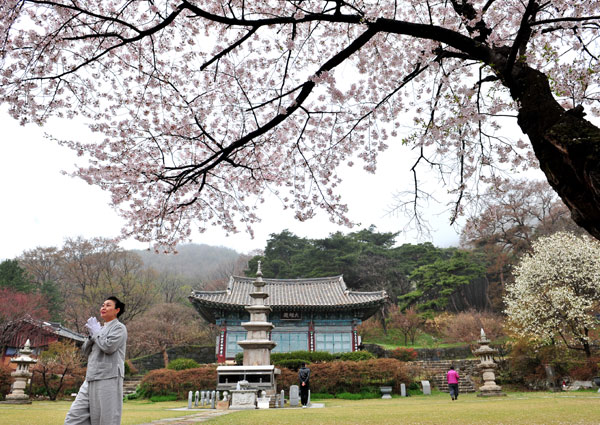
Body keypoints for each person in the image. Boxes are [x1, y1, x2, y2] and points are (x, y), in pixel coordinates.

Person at [64, 296, 128, 425]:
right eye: (103, 305)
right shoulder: (99, 329)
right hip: (91, 377)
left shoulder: (119, 328)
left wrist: (97, 333)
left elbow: (109, 347)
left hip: (109, 376)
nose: (103, 307)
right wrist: (91, 335)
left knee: (106, 418)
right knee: (74, 417)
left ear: (117, 310)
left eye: (108, 305)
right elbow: (85, 351)